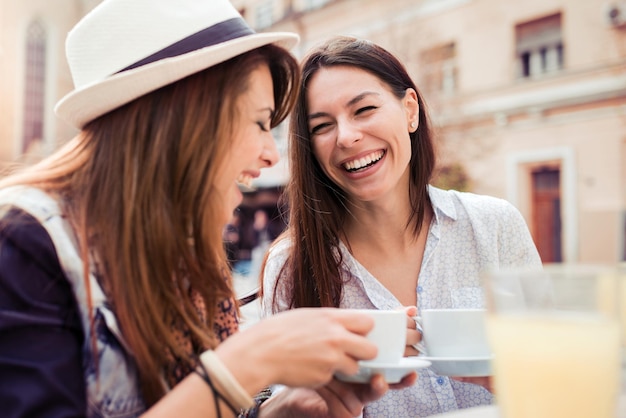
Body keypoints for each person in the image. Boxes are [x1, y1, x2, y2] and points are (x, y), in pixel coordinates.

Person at [0, 4, 417, 418]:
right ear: (179, 122)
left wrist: (281, 413)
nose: (271, 154)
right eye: (258, 123)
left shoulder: (190, 257)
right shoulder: (23, 243)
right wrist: (250, 362)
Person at [261, 36, 543, 417]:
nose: (346, 136)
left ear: (410, 110)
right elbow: (289, 405)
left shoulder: (494, 224)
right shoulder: (291, 267)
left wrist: (525, 376)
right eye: (322, 126)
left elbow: (560, 370)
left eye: (364, 109)